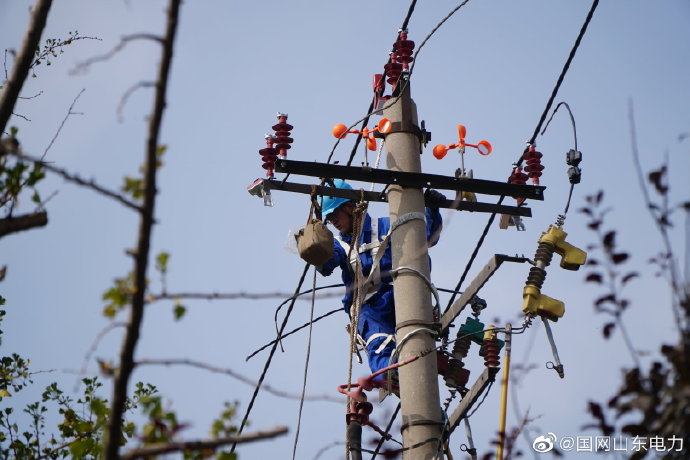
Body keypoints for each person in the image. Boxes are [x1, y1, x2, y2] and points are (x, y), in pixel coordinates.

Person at [316, 179, 444, 380]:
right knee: (379, 342)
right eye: (329, 218)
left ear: (350, 207)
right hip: (370, 307)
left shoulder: (387, 226)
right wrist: (315, 251)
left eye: (335, 215)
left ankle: (413, 375)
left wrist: (432, 210)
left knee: (417, 336)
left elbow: (424, 237)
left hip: (403, 294)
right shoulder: (339, 245)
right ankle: (390, 375)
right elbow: (327, 263)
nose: (334, 222)